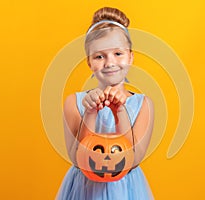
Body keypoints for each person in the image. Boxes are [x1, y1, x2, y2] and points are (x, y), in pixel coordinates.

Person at [57, 7, 154, 200]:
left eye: (118, 53)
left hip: (127, 191)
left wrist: (121, 113)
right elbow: (79, 160)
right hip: (84, 192)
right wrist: (90, 112)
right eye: (99, 56)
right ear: (89, 62)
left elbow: (133, 160)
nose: (110, 63)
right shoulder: (74, 103)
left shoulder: (143, 104)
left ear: (131, 57)